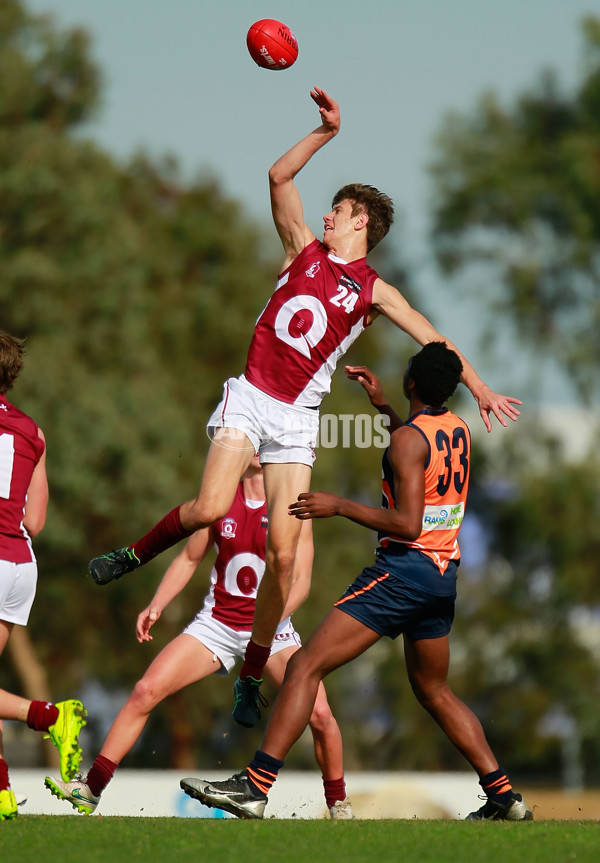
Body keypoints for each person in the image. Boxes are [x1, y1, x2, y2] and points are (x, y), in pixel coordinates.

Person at [88, 87, 522, 729]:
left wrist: (479, 387)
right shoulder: (301, 249)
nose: (326, 215)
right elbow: (277, 174)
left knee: (284, 559)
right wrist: (327, 132)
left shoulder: (375, 290)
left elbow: (434, 336)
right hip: (253, 395)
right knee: (209, 507)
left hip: (295, 418)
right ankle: (132, 554)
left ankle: (250, 673)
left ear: (361, 226)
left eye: (339, 210)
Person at [179, 342, 532, 822]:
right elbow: (416, 451)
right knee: (435, 690)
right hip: (442, 577)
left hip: (403, 572)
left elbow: (408, 522)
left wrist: (338, 505)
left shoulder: (410, 439)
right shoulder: (456, 428)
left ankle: (255, 786)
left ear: (412, 382)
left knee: (304, 666)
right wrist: (384, 408)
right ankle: (504, 796)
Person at [45, 456, 354, 819]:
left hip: (273, 631)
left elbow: (301, 583)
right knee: (146, 690)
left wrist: (266, 627)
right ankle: (91, 788)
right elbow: (189, 559)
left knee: (319, 714)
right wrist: (156, 605)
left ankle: (338, 804)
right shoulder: (220, 501)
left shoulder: (291, 504)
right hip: (217, 626)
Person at [0, 331, 87, 822]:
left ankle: (54, 717)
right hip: (19, 565)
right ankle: (3, 794)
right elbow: (36, 521)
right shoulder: (34, 432)